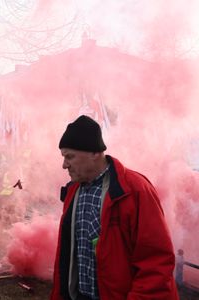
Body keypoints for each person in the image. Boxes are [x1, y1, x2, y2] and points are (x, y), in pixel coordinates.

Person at [50, 115, 179, 300]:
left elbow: (156, 262)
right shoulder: (73, 190)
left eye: (70, 157)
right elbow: (68, 255)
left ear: (94, 153)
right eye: (63, 157)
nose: (64, 165)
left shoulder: (135, 190)